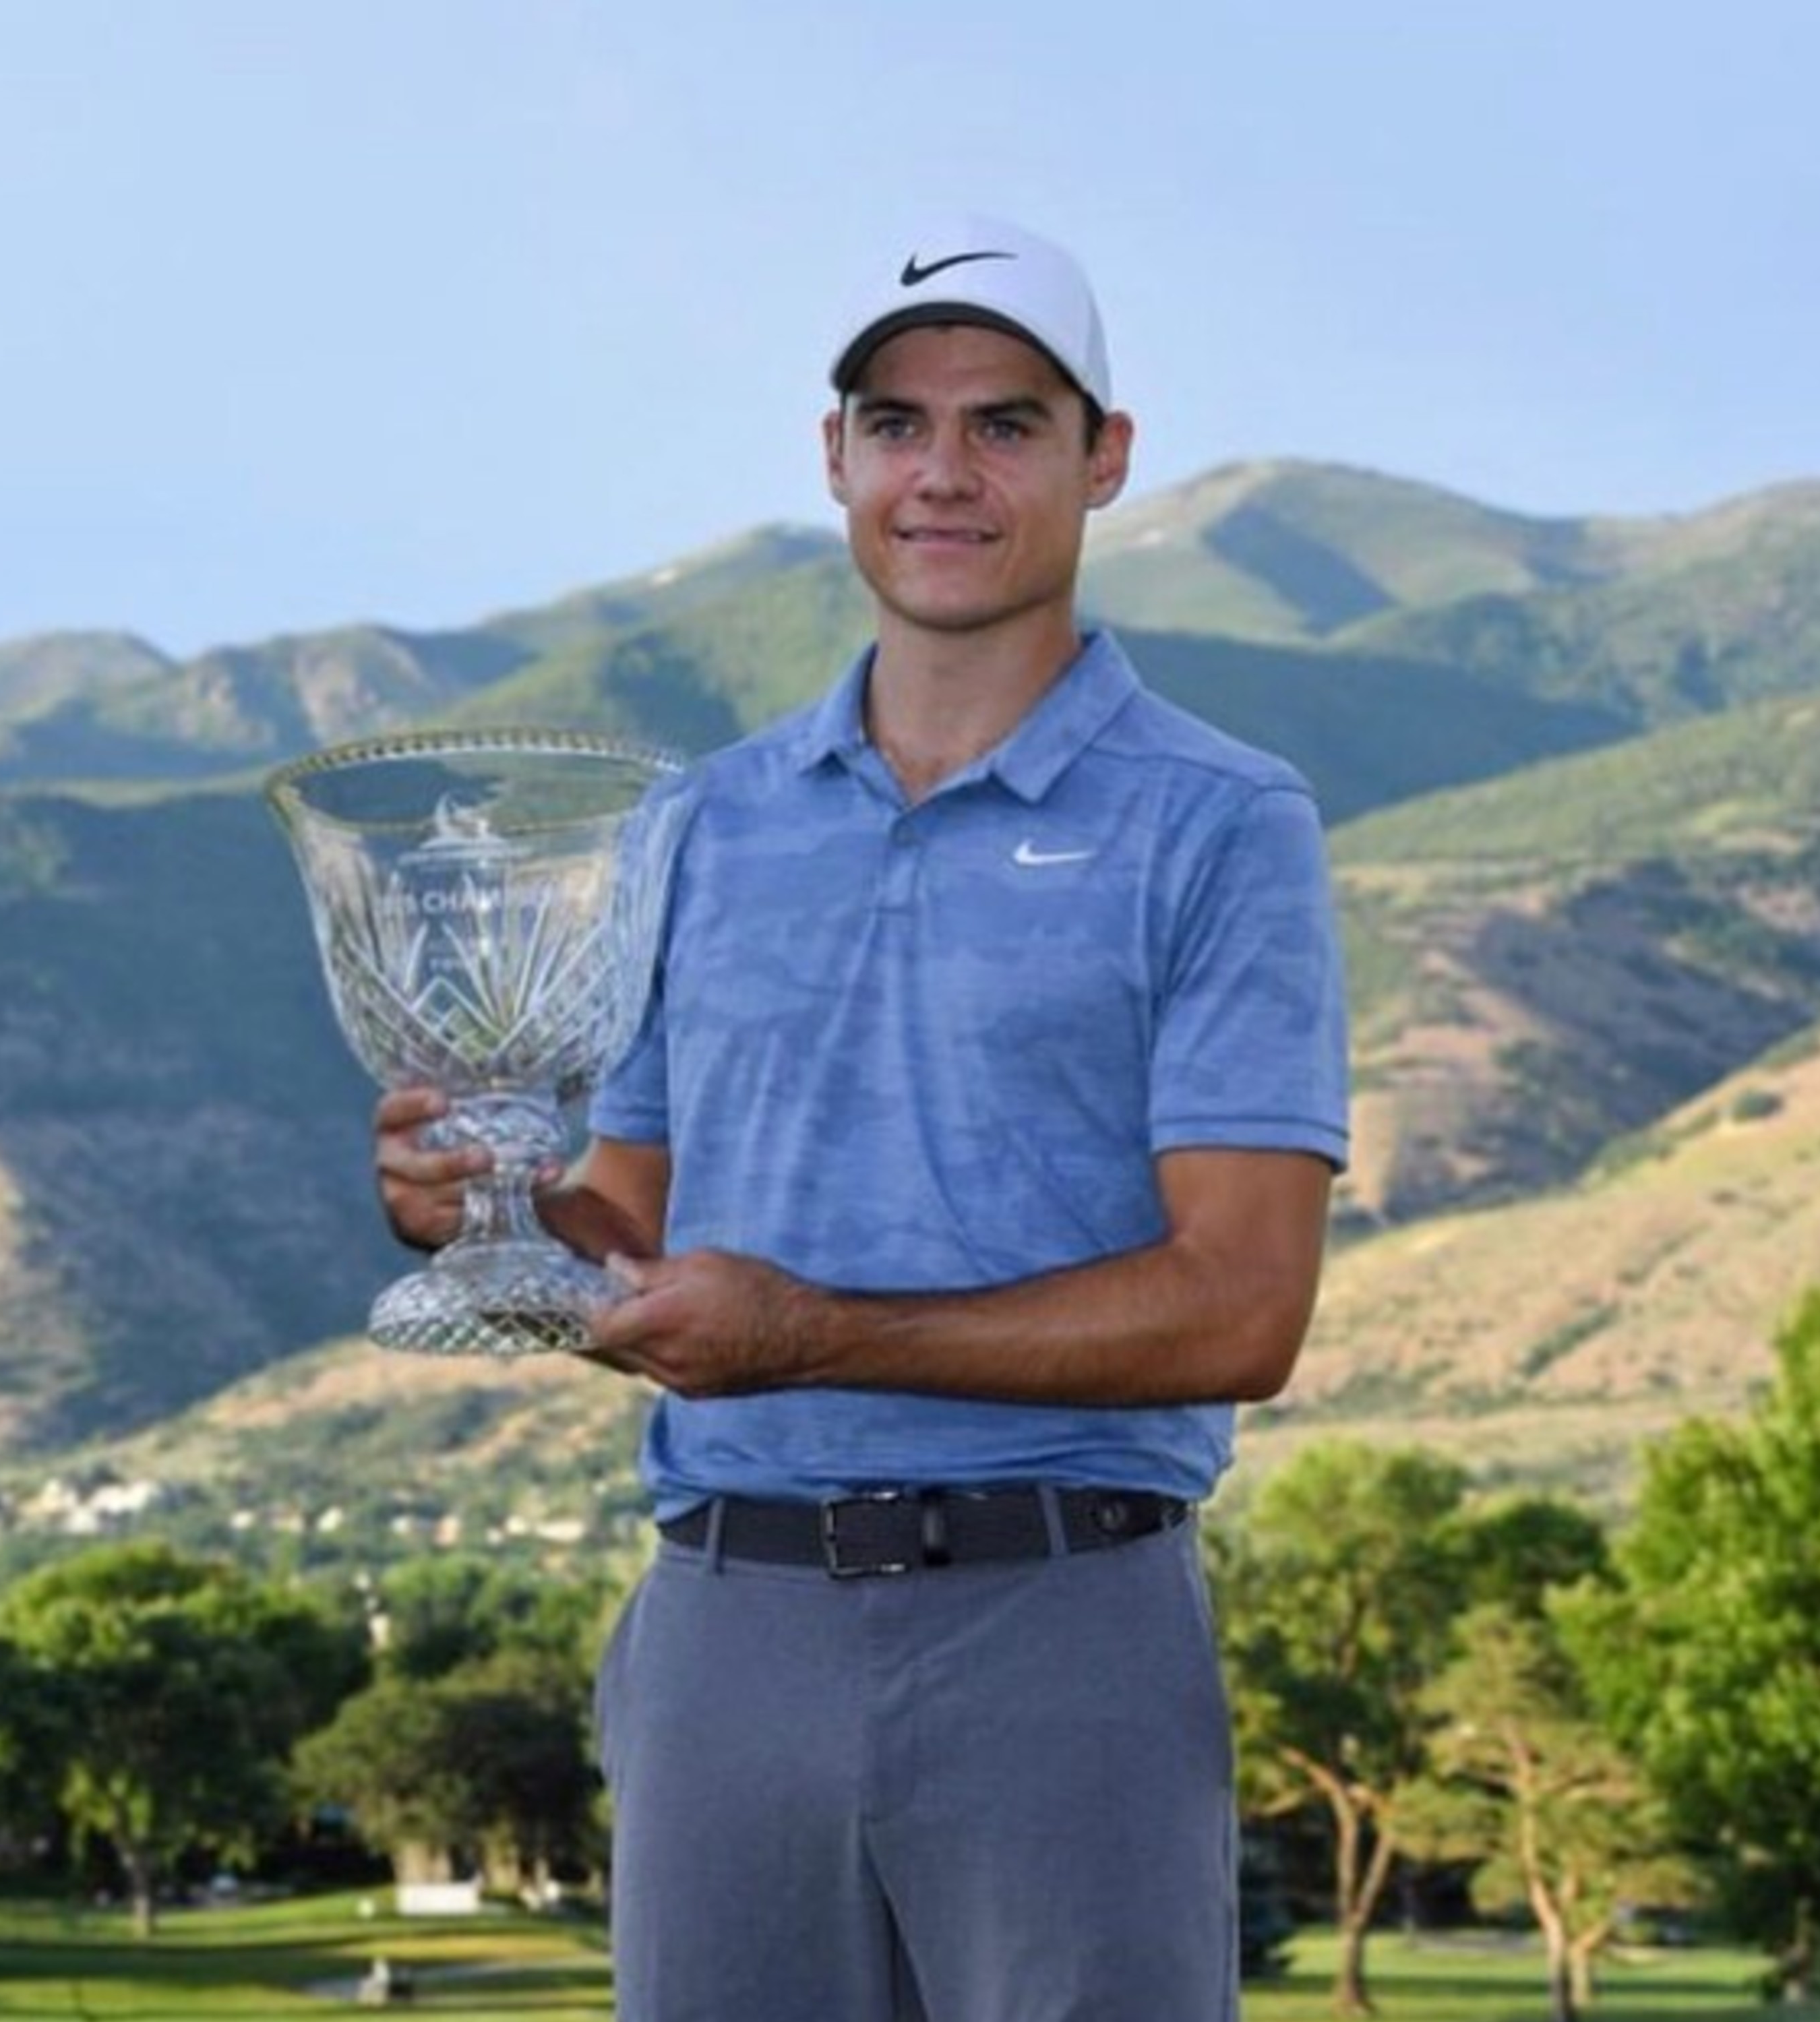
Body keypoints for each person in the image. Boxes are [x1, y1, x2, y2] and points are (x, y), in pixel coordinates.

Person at [375, 214, 1349, 2022]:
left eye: (1007, 422)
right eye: (899, 425)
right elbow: (633, 1242)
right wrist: (484, 1220)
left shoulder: (1221, 823)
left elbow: (1245, 1307)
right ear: (836, 461)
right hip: (726, 1625)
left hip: (1064, 1630)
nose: (945, 472)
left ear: (1105, 458)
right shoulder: (704, 823)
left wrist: (818, 1332)